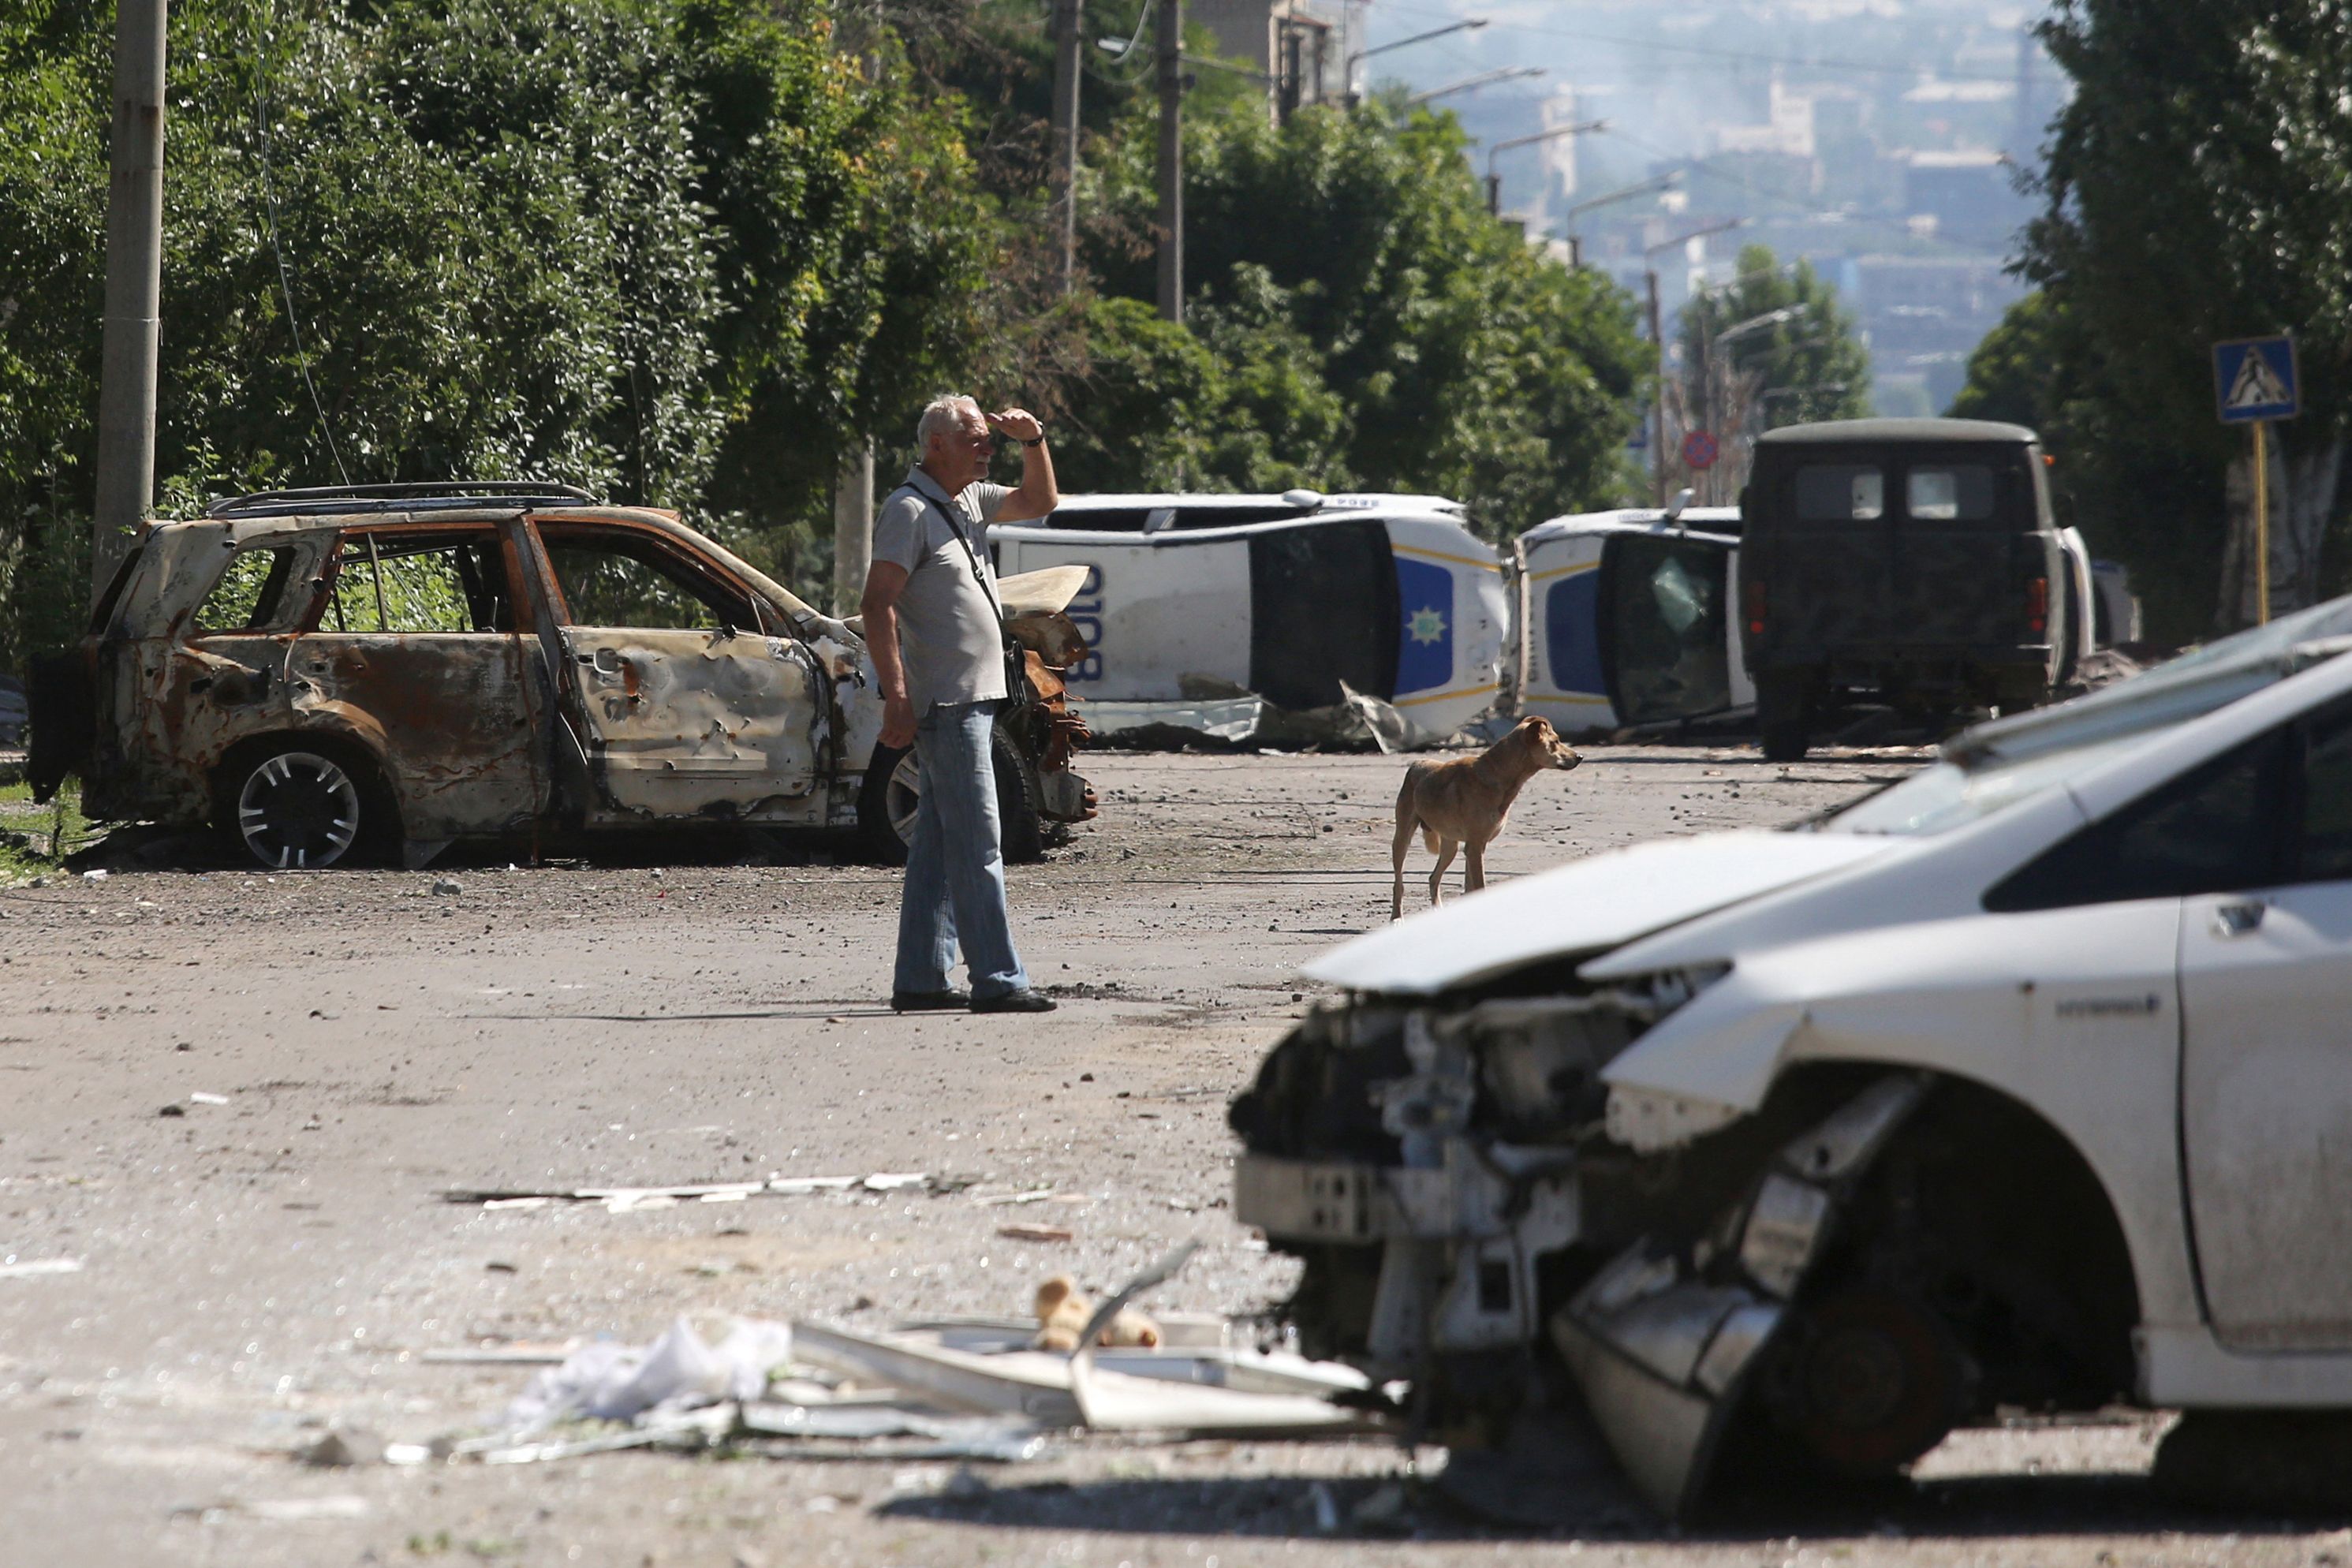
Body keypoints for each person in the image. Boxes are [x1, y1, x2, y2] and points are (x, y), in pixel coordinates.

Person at [861, 394, 1061, 1014]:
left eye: (988, 438)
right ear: (936, 444)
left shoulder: (968, 499)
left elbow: (1040, 502)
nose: (986, 447)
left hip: (973, 698)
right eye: (975, 438)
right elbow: (876, 604)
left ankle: (921, 978)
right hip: (945, 702)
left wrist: (1035, 442)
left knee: (939, 846)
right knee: (978, 843)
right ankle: (998, 980)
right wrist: (897, 695)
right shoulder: (909, 510)